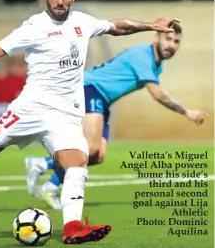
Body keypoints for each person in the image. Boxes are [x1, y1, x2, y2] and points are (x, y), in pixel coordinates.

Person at [0, 0, 180, 244]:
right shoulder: (34, 27)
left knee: (78, 163)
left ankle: (73, 227)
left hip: (65, 115)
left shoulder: (82, 22)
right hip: (31, 109)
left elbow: (116, 26)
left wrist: (150, 25)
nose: (60, 1)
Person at [25, 22, 208, 210]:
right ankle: (50, 185)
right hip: (90, 89)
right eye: (168, 39)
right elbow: (157, 93)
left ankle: (42, 164)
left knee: (97, 155)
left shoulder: (156, 64)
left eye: (176, 41)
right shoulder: (143, 56)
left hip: (103, 99)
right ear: (156, 39)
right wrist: (186, 112)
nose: (172, 44)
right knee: (91, 147)